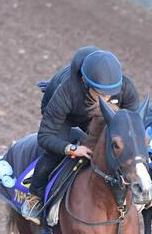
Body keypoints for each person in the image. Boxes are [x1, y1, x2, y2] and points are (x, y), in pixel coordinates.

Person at [21, 46, 139, 224]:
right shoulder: (67, 91)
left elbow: (133, 128)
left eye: (110, 94)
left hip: (95, 115)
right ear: (84, 81)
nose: (105, 98)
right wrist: (72, 148)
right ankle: (34, 196)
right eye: (100, 93)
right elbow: (45, 136)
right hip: (67, 116)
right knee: (55, 150)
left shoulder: (124, 88)